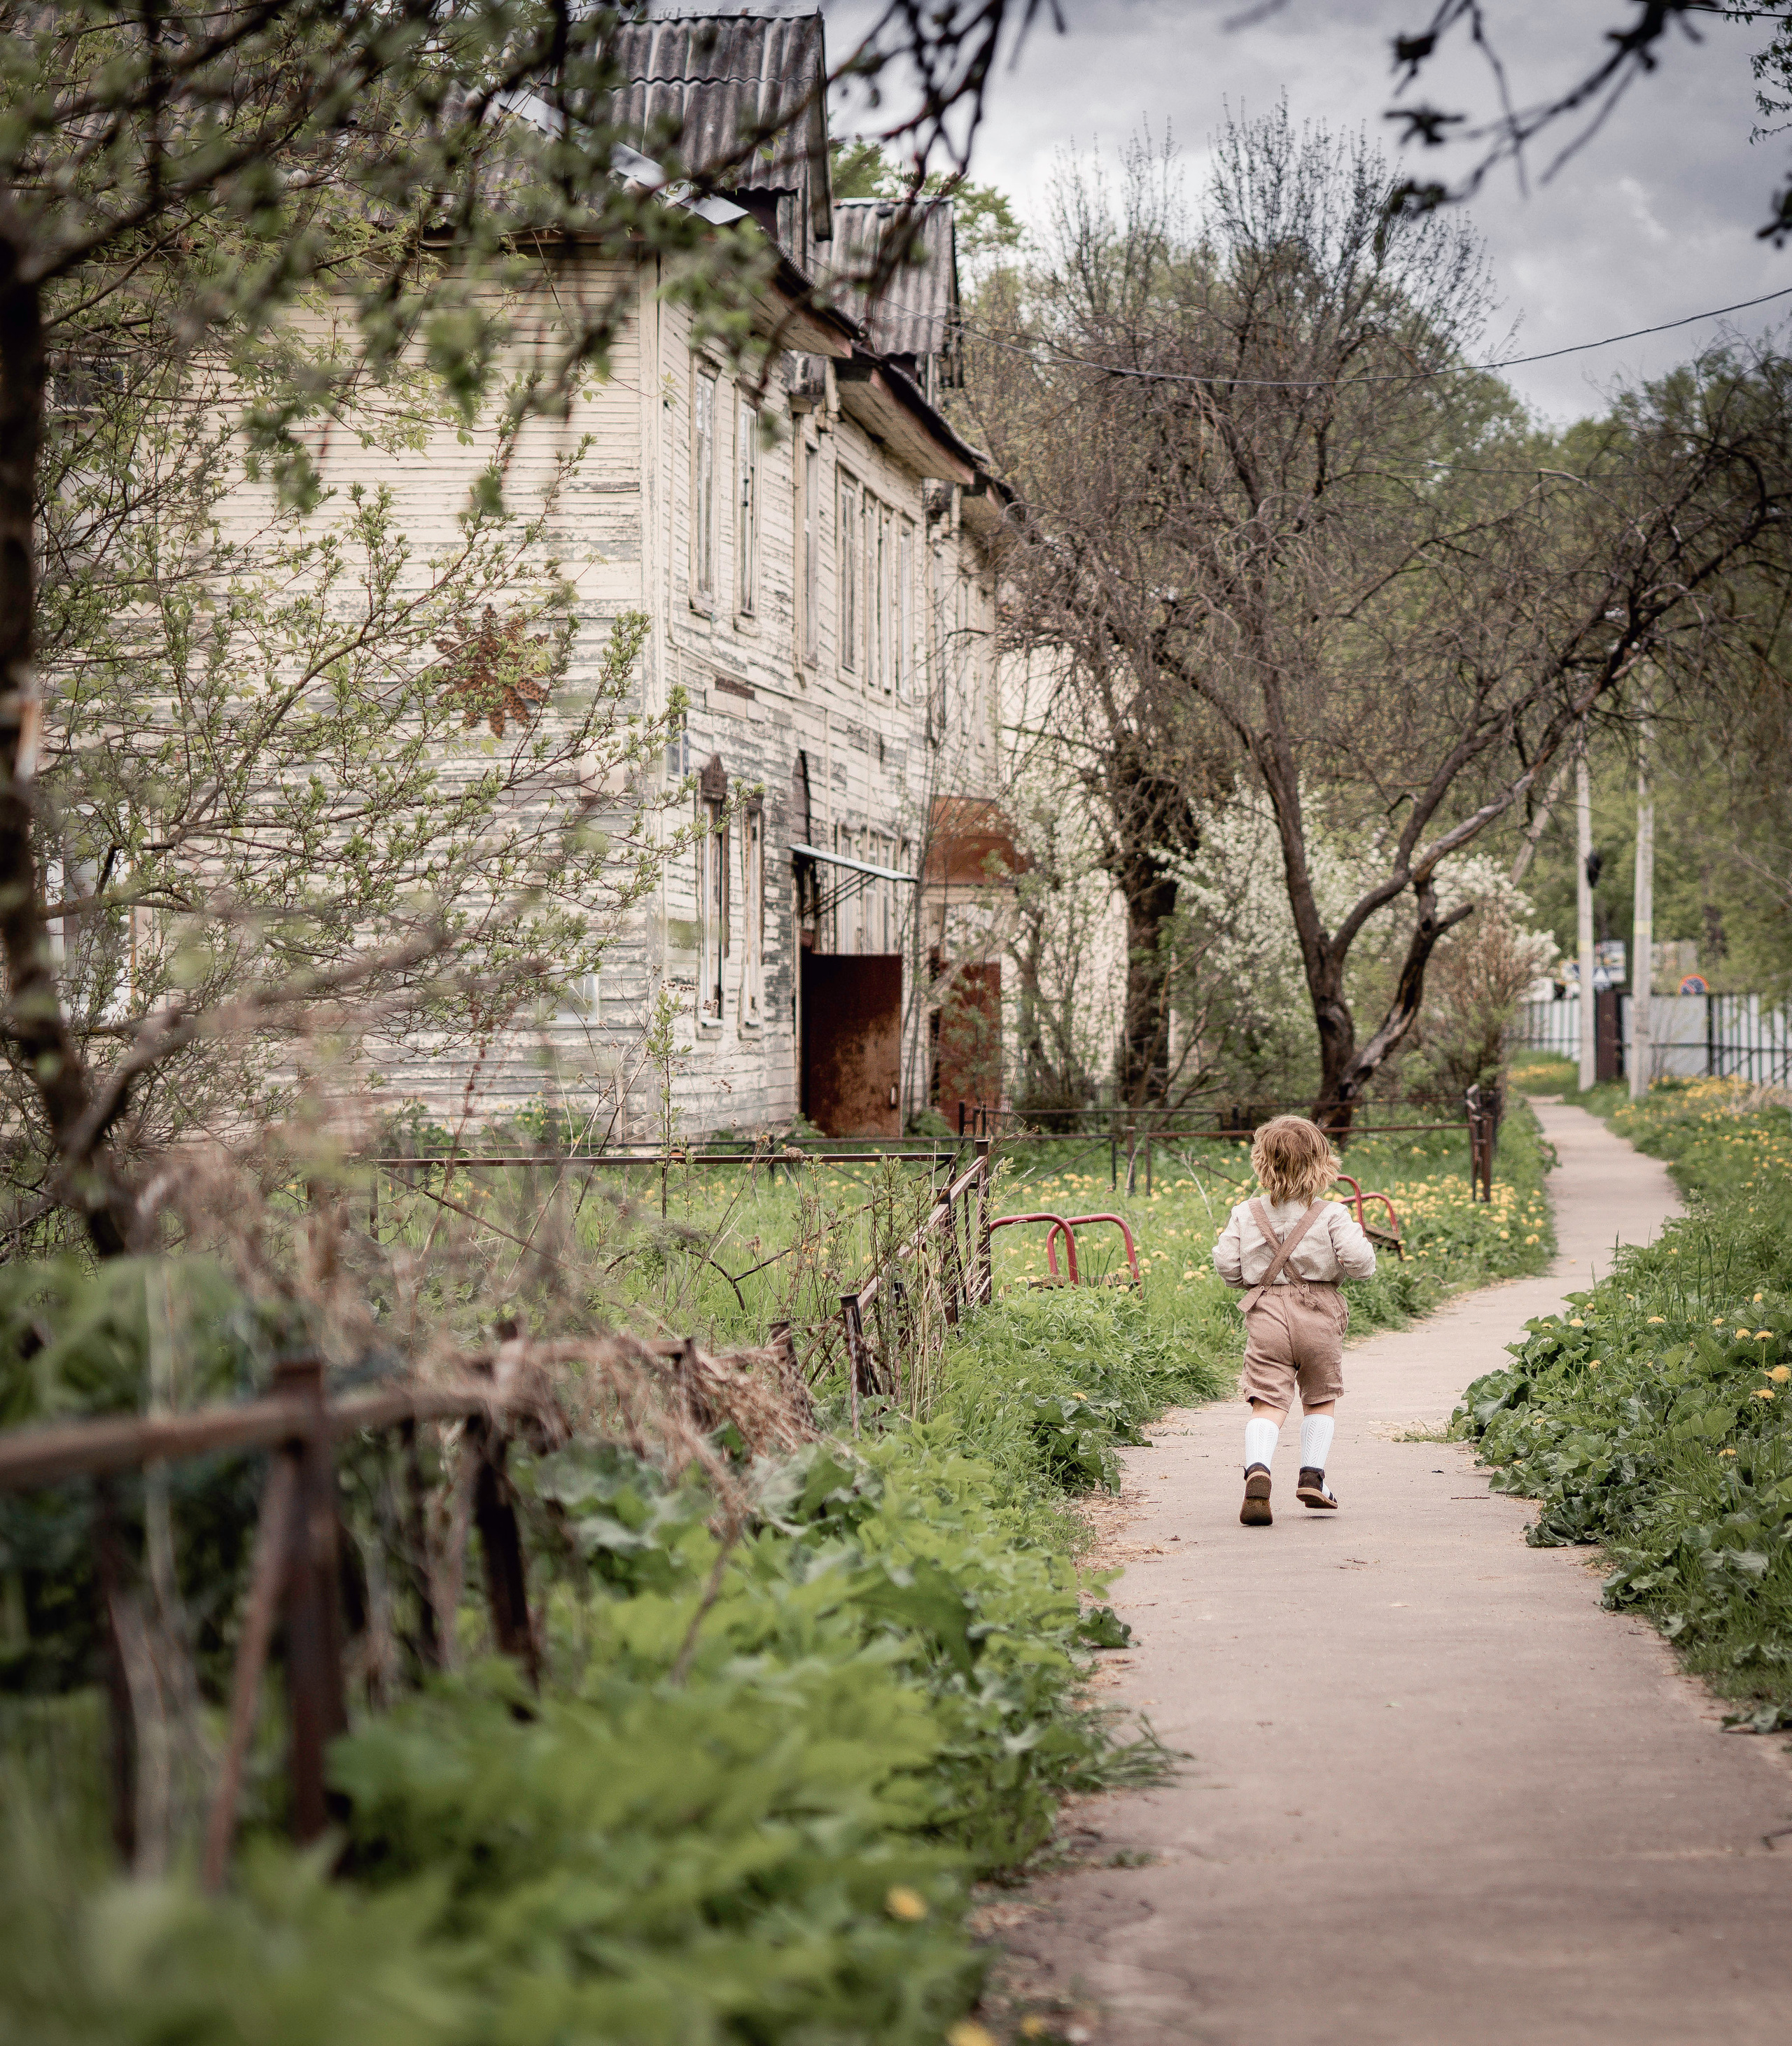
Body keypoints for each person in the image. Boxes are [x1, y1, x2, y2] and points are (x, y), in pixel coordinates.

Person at [1212, 1115, 1376, 1527]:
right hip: (1319, 1312)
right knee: (1320, 1397)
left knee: (1267, 1400)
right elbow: (1361, 1265)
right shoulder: (1332, 1215)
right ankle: (1312, 1478)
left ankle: (1258, 1472)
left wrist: (1248, 1279)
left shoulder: (1245, 1213)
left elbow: (1228, 1266)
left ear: (1261, 1163)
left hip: (1266, 1313)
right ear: (1323, 1165)